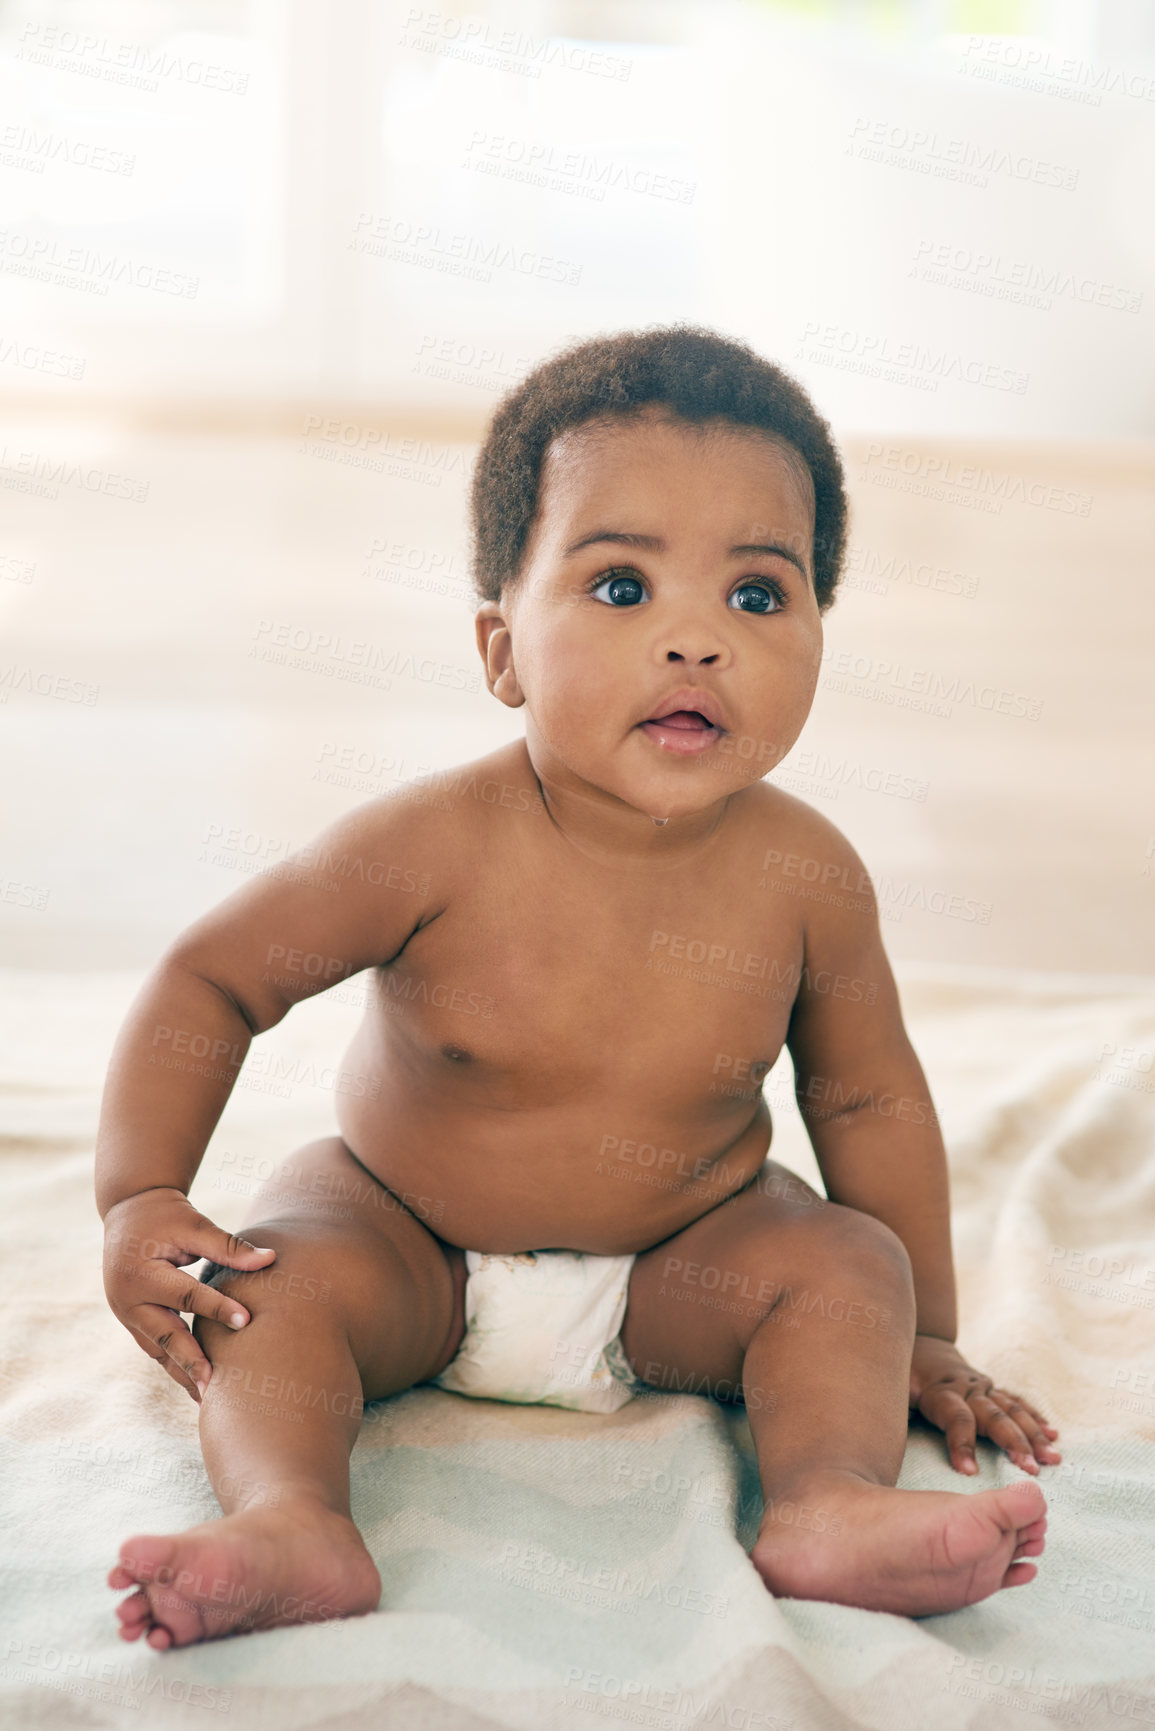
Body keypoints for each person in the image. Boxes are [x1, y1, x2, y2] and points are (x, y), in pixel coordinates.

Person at [97, 325, 1058, 1649]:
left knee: (844, 1265)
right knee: (264, 1292)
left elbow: (870, 1097)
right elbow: (211, 982)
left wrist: (923, 1335)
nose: (695, 643)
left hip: (684, 1270)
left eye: (758, 597)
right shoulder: (425, 844)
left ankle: (827, 1502)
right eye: (621, 590)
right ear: (502, 650)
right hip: (405, 1243)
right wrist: (141, 1192)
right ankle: (290, 1516)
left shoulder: (806, 877)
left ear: (823, 639)